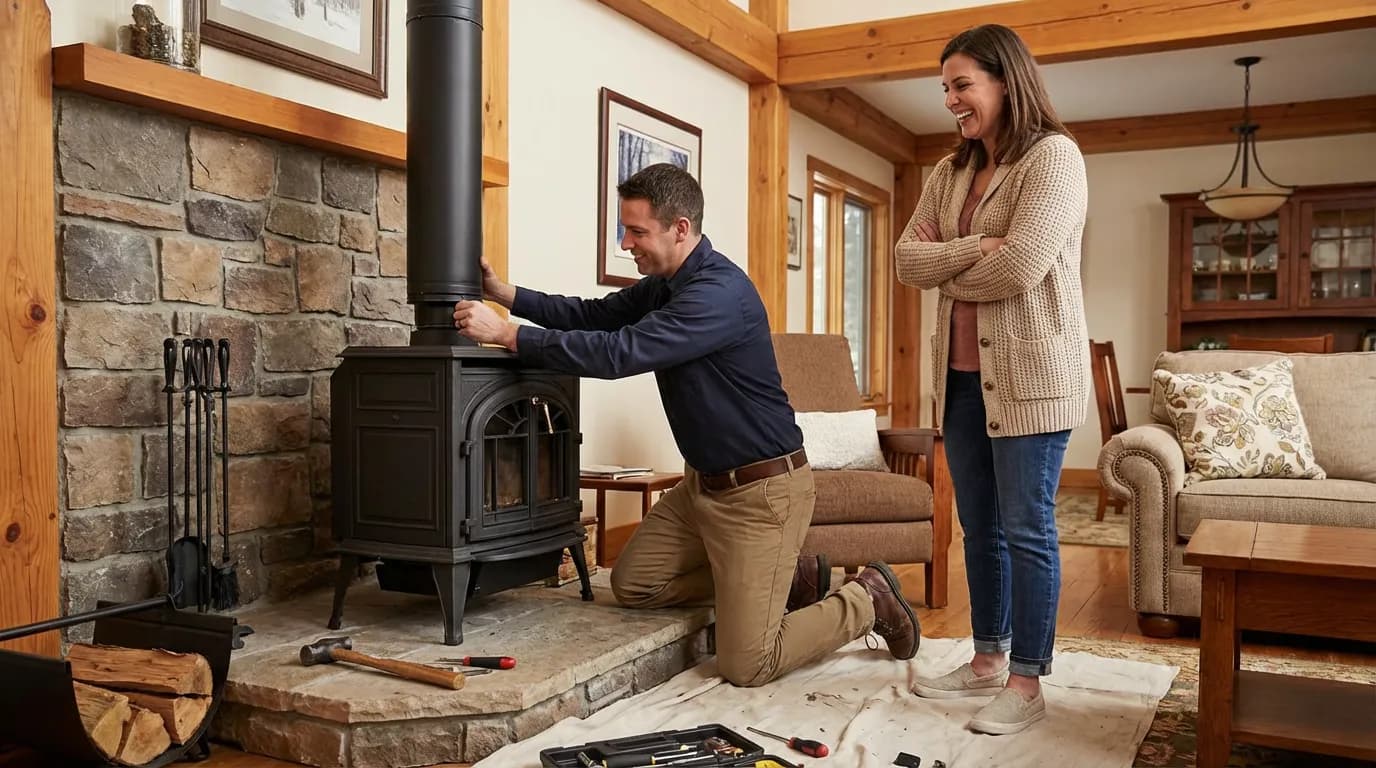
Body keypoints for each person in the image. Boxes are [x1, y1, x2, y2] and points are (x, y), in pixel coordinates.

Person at [453, 162, 919, 687]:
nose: (627, 243)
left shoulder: (717, 294)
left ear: (680, 229)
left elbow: (621, 352)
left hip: (762, 495)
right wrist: (506, 293)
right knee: (635, 586)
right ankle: (787, 580)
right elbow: (594, 315)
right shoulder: (665, 284)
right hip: (702, 487)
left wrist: (510, 335)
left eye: (636, 231)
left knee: (748, 664)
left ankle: (866, 599)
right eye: (624, 230)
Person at [893, 24, 1090, 734]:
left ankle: (1027, 682)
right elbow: (904, 262)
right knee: (978, 527)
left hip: (1035, 379)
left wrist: (952, 257)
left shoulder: (1054, 159)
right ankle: (985, 663)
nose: (950, 100)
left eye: (961, 85)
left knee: (1027, 528)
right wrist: (978, 244)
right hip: (961, 380)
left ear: (1005, 81)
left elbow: (1022, 267)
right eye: (944, 88)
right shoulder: (947, 173)